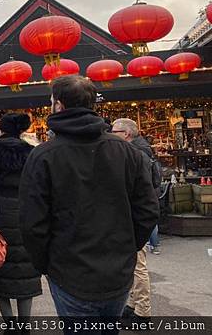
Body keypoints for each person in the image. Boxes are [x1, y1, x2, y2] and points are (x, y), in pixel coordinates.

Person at [19, 76, 159, 335]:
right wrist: (128, 249)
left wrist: (46, 264)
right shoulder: (126, 151)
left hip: (69, 272)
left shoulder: (44, 156)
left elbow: (32, 222)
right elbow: (148, 210)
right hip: (116, 269)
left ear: (58, 106)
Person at [0, 113, 42, 324]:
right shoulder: (31, 152)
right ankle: (25, 323)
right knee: (25, 267)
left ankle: (10, 322)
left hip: (1, 211)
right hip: (27, 210)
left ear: (2, 129)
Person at [111, 118, 159, 324]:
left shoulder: (136, 154)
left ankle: (143, 312)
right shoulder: (139, 150)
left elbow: (139, 191)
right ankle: (134, 304)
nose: (111, 134)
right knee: (135, 264)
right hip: (134, 216)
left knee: (138, 265)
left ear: (126, 134)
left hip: (133, 217)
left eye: (114, 131)